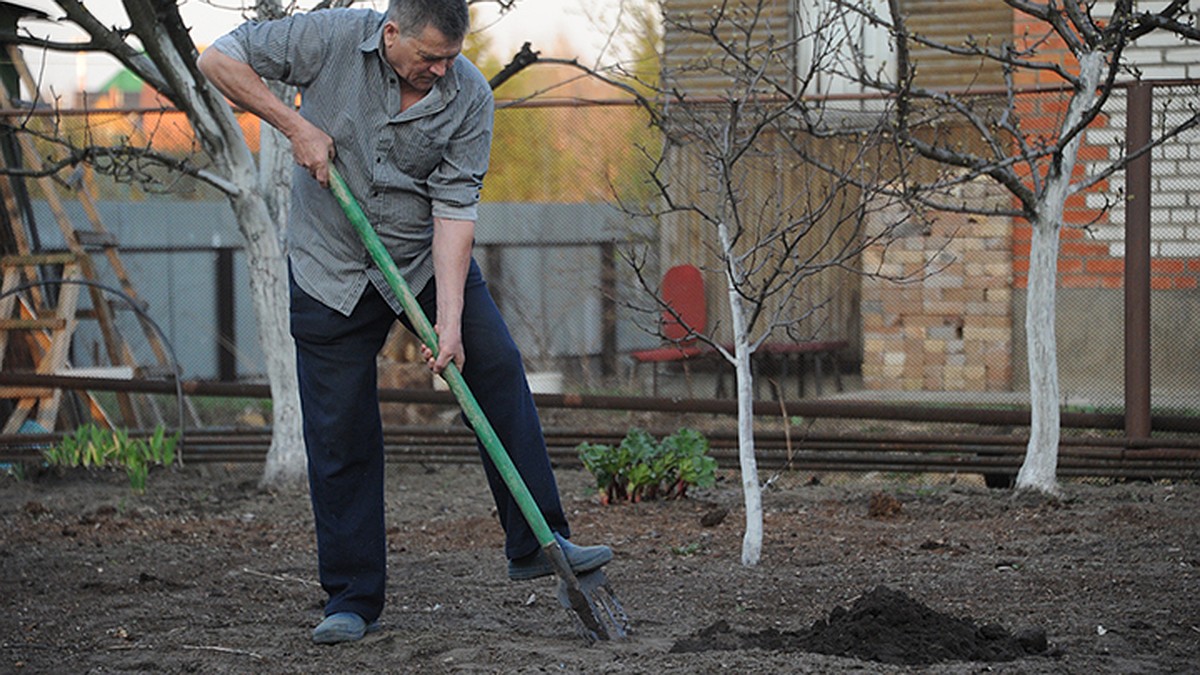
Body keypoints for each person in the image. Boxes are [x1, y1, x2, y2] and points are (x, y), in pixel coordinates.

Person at [198, 0, 612, 645]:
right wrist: (292, 125)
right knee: (340, 432)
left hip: (420, 260)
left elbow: (454, 209)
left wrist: (448, 323)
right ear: (391, 34)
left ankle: (537, 541)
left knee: (496, 372)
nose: (441, 71)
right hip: (329, 267)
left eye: (451, 58)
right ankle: (352, 598)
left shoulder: (468, 94)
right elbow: (217, 57)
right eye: (428, 58)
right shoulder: (327, 38)